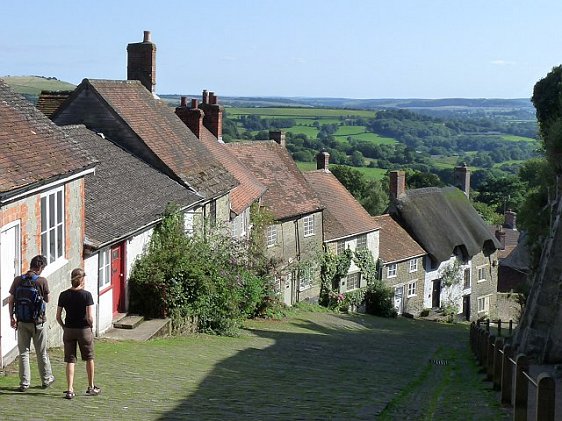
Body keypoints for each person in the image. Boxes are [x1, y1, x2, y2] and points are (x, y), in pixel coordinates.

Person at [8, 255, 55, 392]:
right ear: (40, 267)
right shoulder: (42, 281)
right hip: (38, 322)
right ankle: (46, 379)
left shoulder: (18, 280)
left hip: (22, 321)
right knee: (41, 352)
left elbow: (11, 300)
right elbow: (47, 300)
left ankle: (24, 383)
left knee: (23, 352)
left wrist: (12, 317)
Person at [56, 268, 100, 400]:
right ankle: (91, 387)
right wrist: (90, 326)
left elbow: (58, 316)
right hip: (83, 330)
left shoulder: (63, 295)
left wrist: (64, 327)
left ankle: (70, 389)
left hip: (69, 330)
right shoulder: (87, 295)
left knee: (70, 360)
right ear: (81, 280)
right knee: (89, 358)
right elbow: (89, 317)